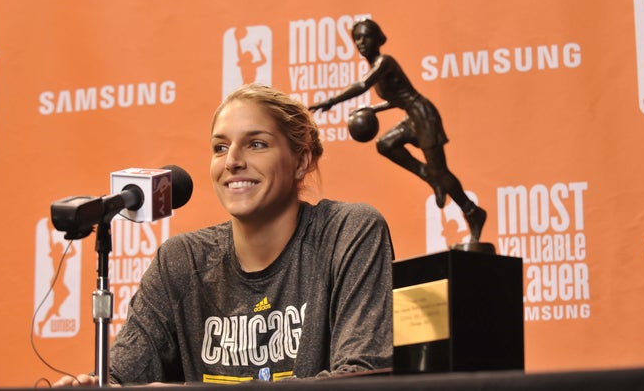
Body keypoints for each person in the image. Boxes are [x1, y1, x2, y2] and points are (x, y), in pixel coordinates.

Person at [54, 83, 394, 386]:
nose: (232, 161)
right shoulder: (181, 261)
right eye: (219, 148)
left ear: (301, 161)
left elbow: (361, 376)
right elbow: (124, 376)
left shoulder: (348, 233)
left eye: (256, 144)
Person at [309, 18, 487, 243]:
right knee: (386, 144)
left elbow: (364, 85)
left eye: (366, 36)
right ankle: (428, 176)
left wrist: (333, 100)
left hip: (422, 115)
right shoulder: (376, 66)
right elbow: (398, 97)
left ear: (378, 39)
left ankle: (473, 212)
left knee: (441, 171)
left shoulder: (384, 62)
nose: (361, 42)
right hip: (412, 116)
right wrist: (373, 108)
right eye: (357, 38)